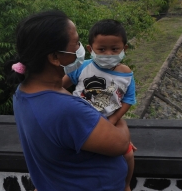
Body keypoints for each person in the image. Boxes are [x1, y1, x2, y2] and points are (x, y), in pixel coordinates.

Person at [7, 10, 130, 191]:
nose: (80, 49)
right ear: (55, 57)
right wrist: (117, 114)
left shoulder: (24, 91)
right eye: (76, 44)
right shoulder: (65, 110)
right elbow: (120, 143)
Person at [62, 19, 136, 191]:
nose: (108, 54)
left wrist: (114, 120)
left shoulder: (126, 75)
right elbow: (59, 86)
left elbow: (128, 100)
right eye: (101, 49)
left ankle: (126, 184)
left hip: (107, 122)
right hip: (80, 120)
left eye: (114, 49)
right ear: (90, 49)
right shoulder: (83, 67)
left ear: (124, 49)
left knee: (128, 154)